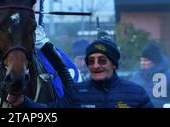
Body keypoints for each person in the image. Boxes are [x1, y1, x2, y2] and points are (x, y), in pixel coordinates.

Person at [14, 38, 154, 108]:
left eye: (102, 60)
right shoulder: (76, 92)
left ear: (114, 64)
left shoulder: (137, 93)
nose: (96, 65)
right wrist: (22, 102)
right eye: (91, 61)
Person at [129, 42, 170, 107]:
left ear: (155, 61)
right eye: (141, 60)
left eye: (146, 60)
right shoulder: (135, 77)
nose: (142, 63)